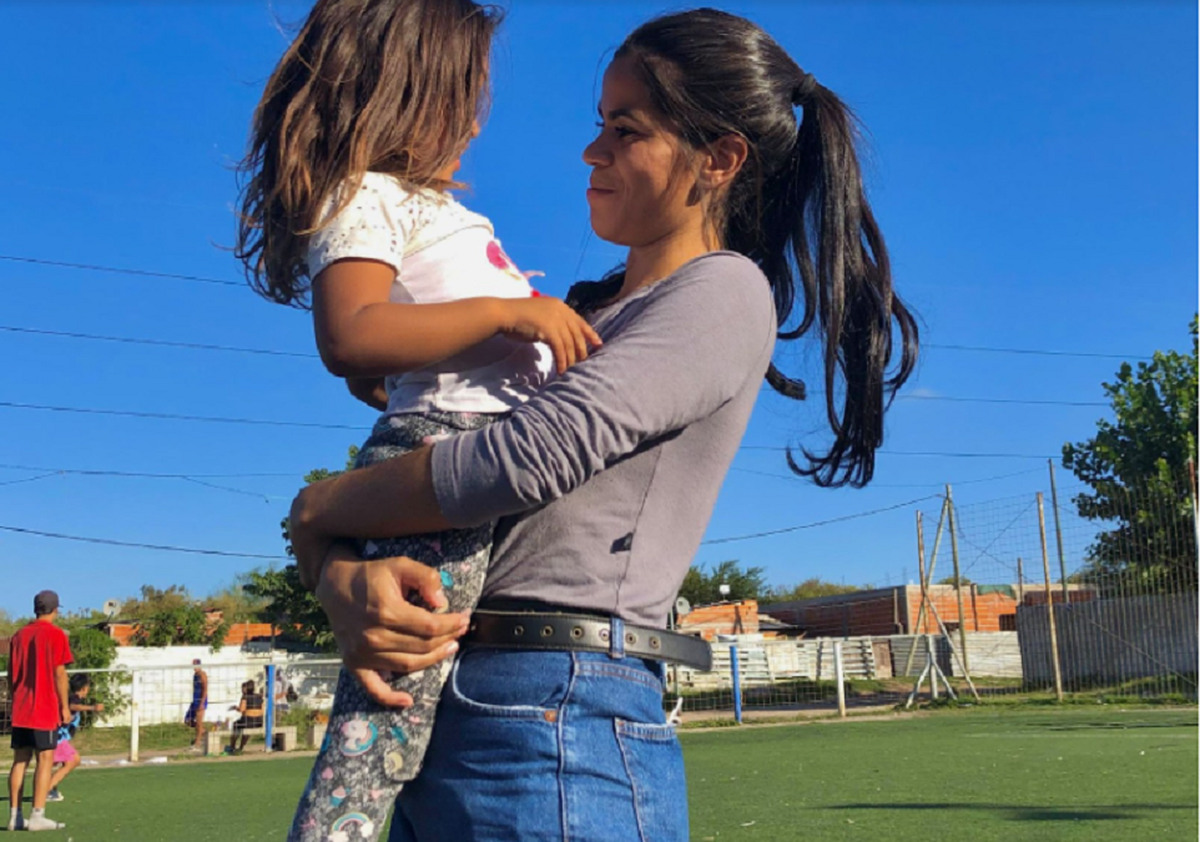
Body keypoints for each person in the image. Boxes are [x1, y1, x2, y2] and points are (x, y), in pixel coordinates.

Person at [288, 7, 919, 841]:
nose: (593, 151)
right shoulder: (570, 319)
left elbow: (519, 462)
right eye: (599, 126)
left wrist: (317, 511)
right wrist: (337, 578)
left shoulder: (722, 292)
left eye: (626, 131)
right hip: (449, 700)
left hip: (560, 718)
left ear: (720, 159)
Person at [236, 2, 601, 840]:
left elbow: (390, 344)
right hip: (441, 458)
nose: (475, 119)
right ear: (407, 91)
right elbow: (352, 332)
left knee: (421, 708)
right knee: (388, 716)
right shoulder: (363, 196)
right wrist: (509, 315)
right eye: (464, 94)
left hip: (472, 455)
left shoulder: (422, 206)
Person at [7, 590, 72, 832]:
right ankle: (38, 814)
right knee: (45, 759)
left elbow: (12, 674)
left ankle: (14, 816)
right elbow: (59, 673)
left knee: (19, 761)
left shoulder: (18, 635)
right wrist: (64, 706)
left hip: (21, 708)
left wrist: (17, 700)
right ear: (56, 609)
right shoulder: (56, 635)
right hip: (44, 708)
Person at [46, 672, 105, 803]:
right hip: (58, 739)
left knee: (50, 764)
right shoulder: (74, 699)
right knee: (73, 760)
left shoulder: (68, 697)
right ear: (84, 688)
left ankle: (49, 788)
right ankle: (47, 789)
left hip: (57, 737)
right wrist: (92, 708)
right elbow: (72, 706)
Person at [225, 681, 266, 756]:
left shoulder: (245, 697)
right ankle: (240, 747)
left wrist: (235, 708)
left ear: (246, 688)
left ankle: (232, 746)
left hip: (248, 721)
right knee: (247, 730)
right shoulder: (259, 696)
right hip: (258, 722)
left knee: (236, 725)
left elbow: (241, 709)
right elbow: (262, 711)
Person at [183, 658, 208, 752]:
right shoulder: (195, 675)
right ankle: (204, 732)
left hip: (201, 700)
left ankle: (197, 744)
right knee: (187, 720)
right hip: (195, 700)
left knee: (199, 723)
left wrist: (202, 702)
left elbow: (205, 689)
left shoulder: (202, 675)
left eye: (195, 665)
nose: (194, 667)